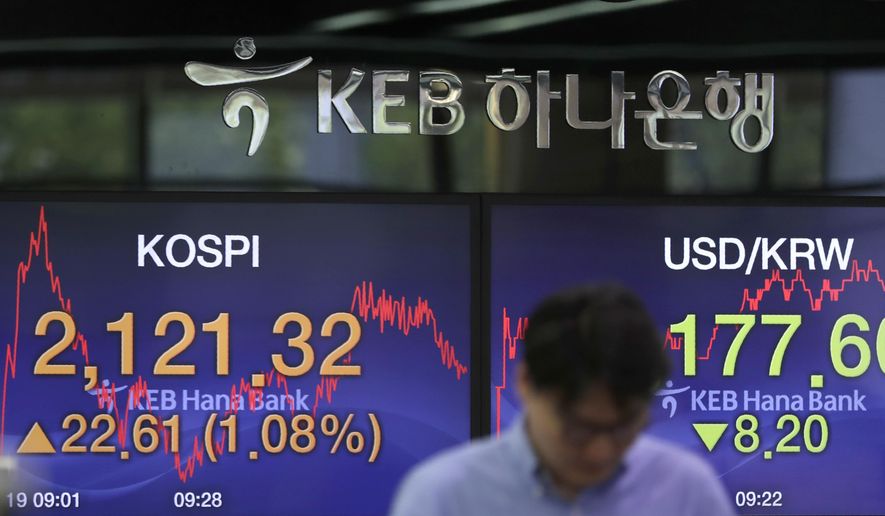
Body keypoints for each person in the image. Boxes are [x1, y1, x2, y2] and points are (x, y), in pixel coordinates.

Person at [390, 284, 735, 516]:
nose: (601, 452)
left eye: (624, 428)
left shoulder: (687, 491)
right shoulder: (444, 497)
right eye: (579, 429)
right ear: (526, 383)